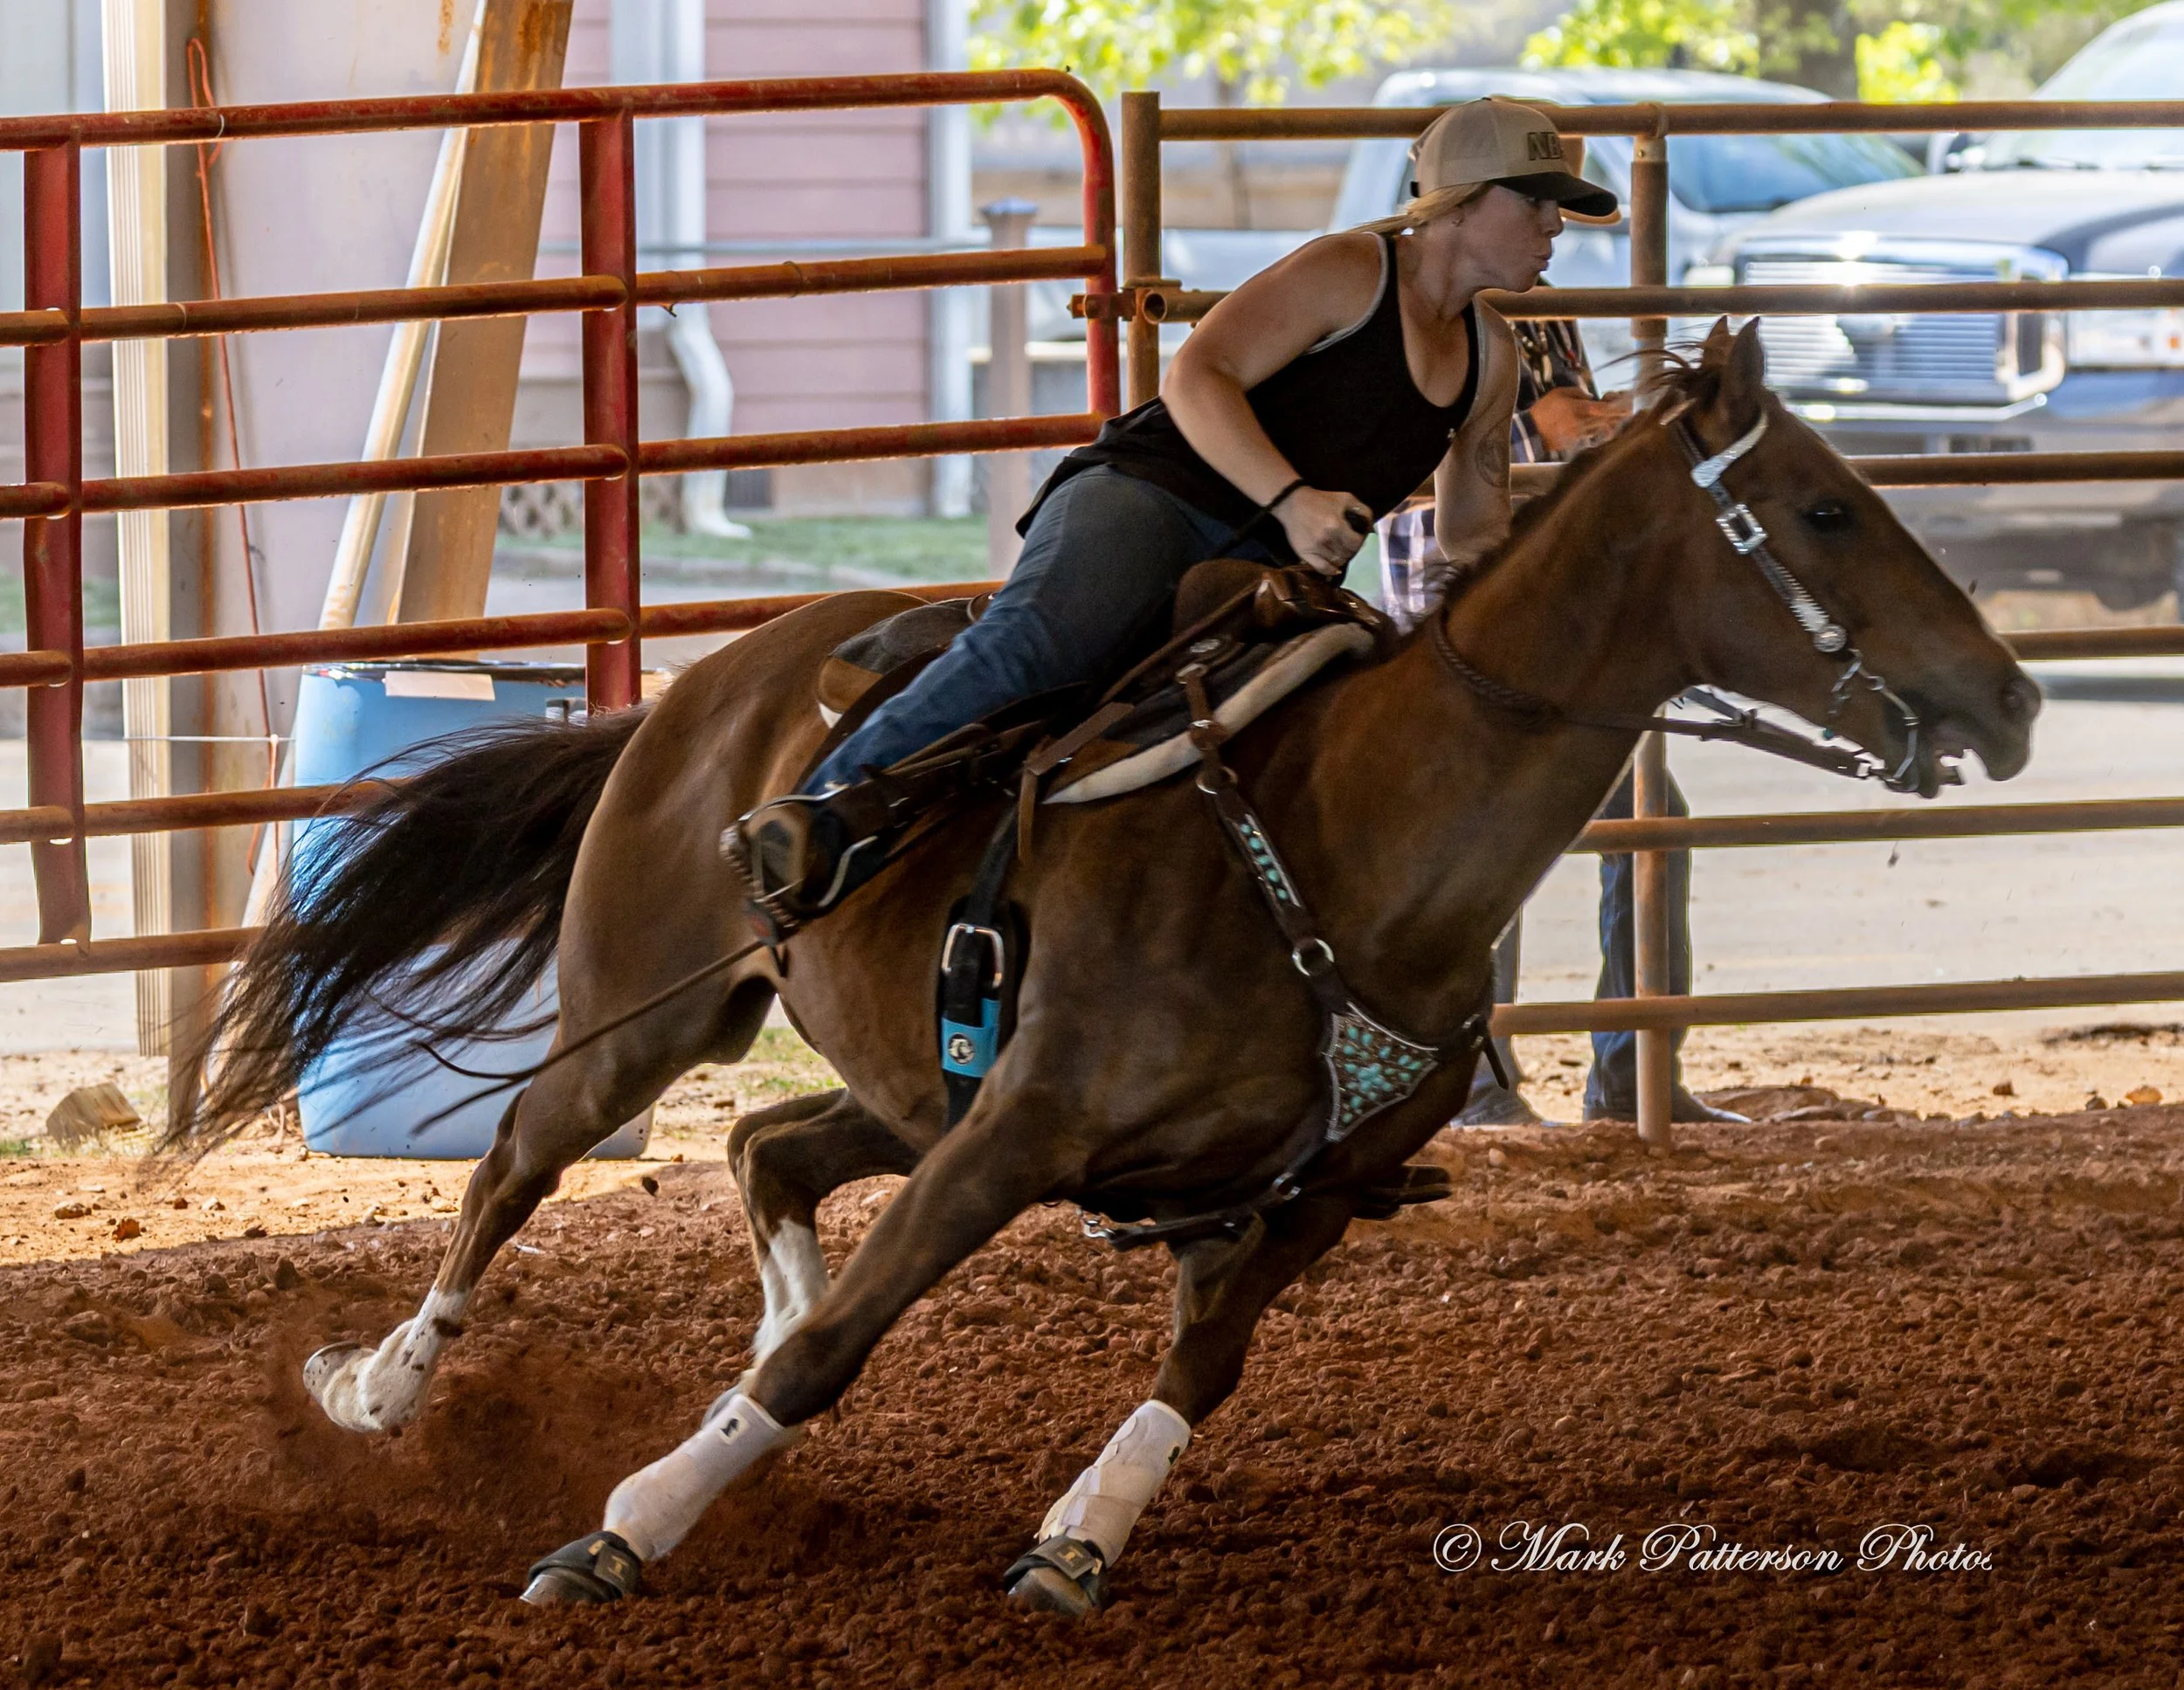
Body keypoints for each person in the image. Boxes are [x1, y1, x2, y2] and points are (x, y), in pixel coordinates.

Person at [736, 97, 1621, 923]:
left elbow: (1471, 533)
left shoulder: (1491, 354)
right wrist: (1290, 498)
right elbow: (1198, 373)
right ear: (1461, 205)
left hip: (1269, 575)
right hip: (1152, 494)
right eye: (1536, 201)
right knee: (1042, 640)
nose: (1554, 225)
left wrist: (1550, 606)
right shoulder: (1349, 269)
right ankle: (813, 814)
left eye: (1559, 206)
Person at [1377, 317, 1740, 1125]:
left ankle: (1626, 1069)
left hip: (1552, 625)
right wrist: (1534, 430)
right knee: (1494, 846)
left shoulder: (1539, 314)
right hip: (1463, 626)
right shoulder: (1430, 314)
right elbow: (1388, 466)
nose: (1550, 232)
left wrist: (1585, 428)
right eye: (1538, 207)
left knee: (1644, 818)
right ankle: (1485, 1081)